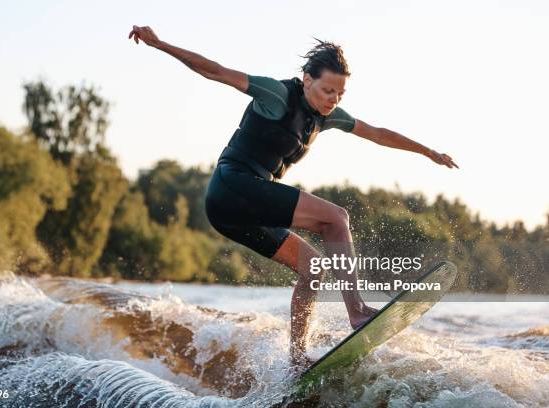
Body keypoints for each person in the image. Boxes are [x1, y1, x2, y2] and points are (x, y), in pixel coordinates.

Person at [128, 25, 459, 369]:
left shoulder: (326, 117)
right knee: (336, 218)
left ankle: (297, 360)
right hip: (233, 186)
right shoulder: (276, 94)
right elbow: (214, 70)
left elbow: (376, 133)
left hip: (239, 211)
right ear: (306, 80)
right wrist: (159, 44)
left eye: (340, 94)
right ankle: (358, 310)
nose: (333, 99)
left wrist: (427, 152)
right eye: (327, 90)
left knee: (313, 269)